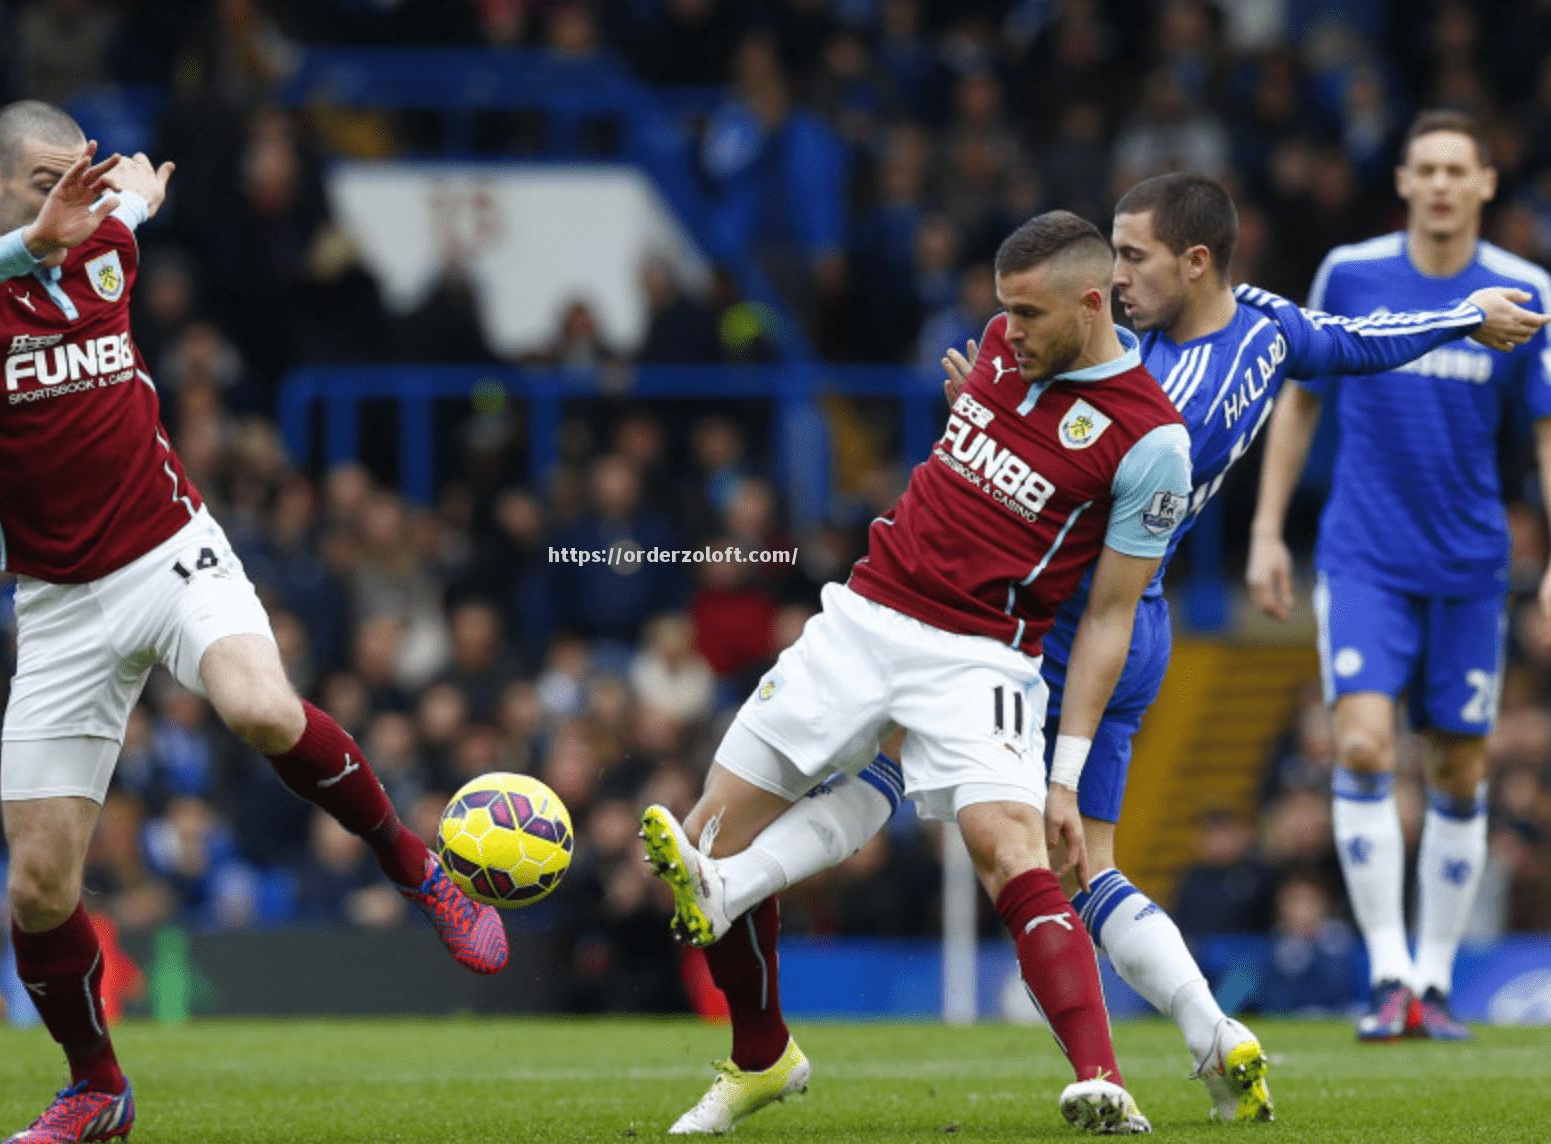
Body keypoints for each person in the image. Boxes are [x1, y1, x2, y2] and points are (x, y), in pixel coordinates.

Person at [643, 172, 1546, 1129]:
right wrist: (1458, 317)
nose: (1117, 279)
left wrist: (1009, 427)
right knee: (1088, 869)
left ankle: (745, 898)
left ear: (1195, 263)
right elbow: (1356, 344)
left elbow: (1092, 480)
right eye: (1111, 255)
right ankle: (1213, 1032)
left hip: (1069, 615)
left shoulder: (1162, 413)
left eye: (1133, 257)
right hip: (1104, 612)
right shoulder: (1269, 322)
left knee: (970, 813)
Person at [0, 101, 508, 1144]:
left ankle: (418, 868)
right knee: (41, 885)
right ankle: (98, 1086)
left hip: (170, 549)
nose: (69, 199)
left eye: (76, 177)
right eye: (44, 182)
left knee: (262, 708)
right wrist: (41, 239)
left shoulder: (107, 230)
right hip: (55, 604)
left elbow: (131, 196)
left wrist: (132, 193)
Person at [644, 210, 1194, 1136]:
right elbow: (987, 458)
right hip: (862, 616)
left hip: (982, 653)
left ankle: (1104, 1081)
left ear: (1092, 304)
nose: (1005, 331)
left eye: (1027, 313)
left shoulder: (1152, 441)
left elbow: (1109, 615)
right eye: (1002, 311)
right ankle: (760, 1057)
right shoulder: (994, 352)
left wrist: (1067, 770)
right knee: (706, 839)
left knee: (1008, 847)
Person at [1247, 109, 1551, 1043]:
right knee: (1368, 745)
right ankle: (1388, 977)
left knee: (1460, 768)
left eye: (1460, 169)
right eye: (1427, 168)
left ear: (1487, 185)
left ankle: (1435, 980)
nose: (1443, 184)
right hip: (1365, 554)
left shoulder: (1526, 289)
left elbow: (1545, 431)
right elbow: (1298, 402)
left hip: (1468, 565)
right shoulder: (1352, 273)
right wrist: (1265, 530)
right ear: (1406, 182)